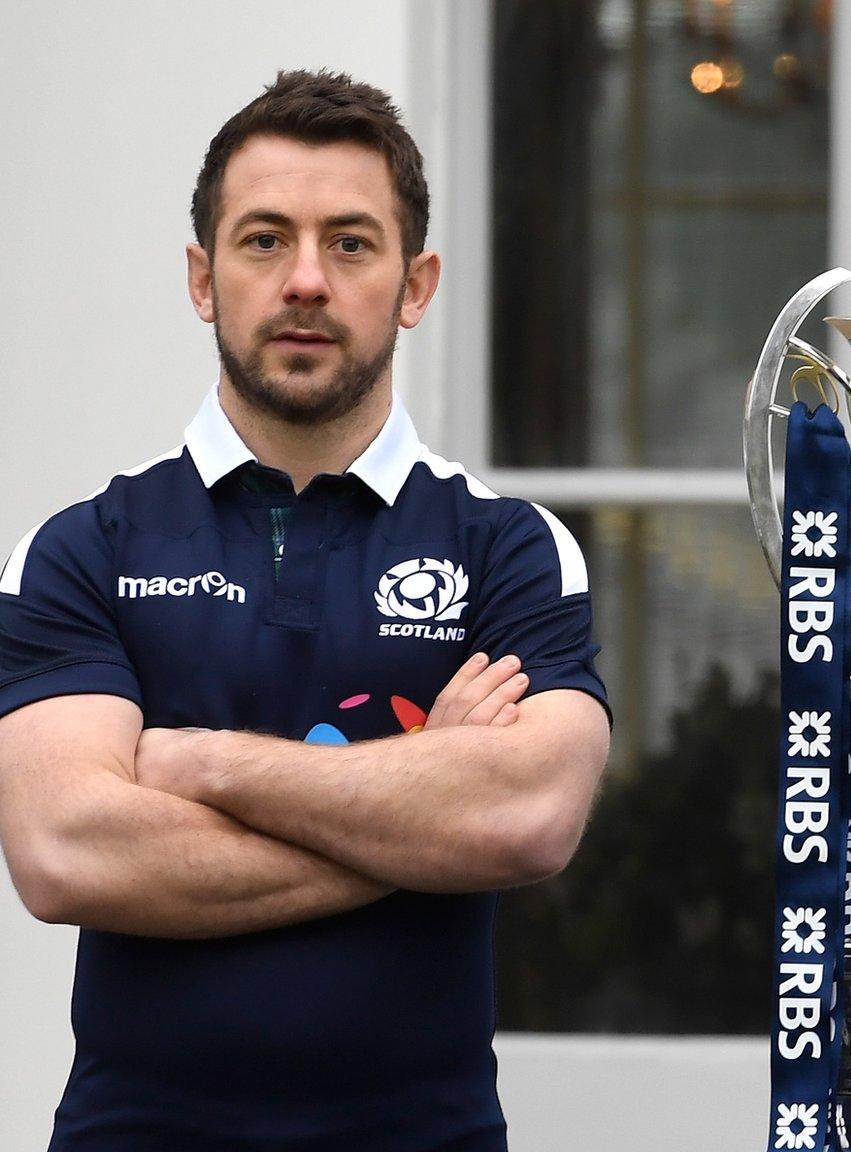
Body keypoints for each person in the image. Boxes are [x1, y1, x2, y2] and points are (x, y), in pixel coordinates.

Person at [0, 70, 610, 1151]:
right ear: (203, 277)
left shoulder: (509, 548)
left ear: (415, 284)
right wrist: (418, 819)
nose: (306, 282)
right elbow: (64, 853)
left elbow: (523, 818)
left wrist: (198, 768)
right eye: (264, 240)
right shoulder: (80, 548)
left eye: (352, 244)